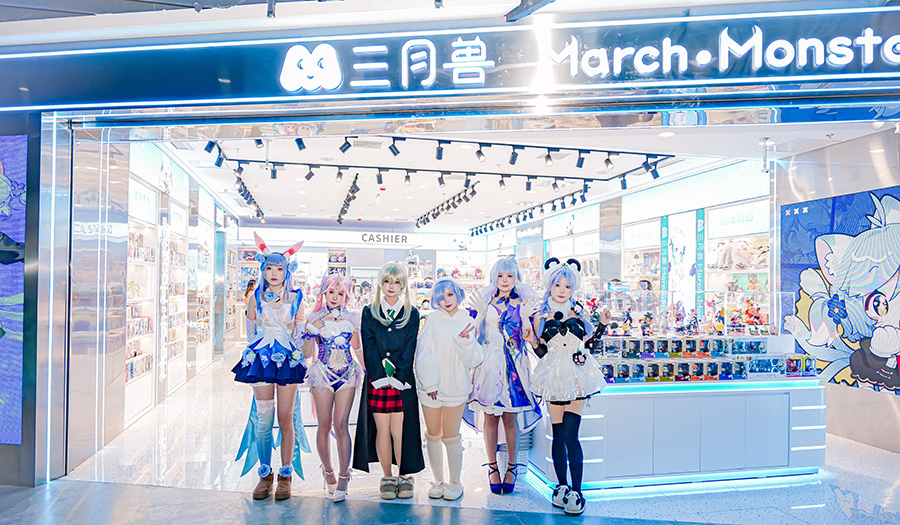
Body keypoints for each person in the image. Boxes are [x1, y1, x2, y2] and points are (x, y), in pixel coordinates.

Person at [232, 233, 309, 501]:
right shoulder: (255, 296)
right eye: (269, 268)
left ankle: (285, 475)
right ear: (263, 270)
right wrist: (256, 348)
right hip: (261, 359)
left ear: (287, 271)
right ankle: (265, 475)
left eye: (279, 268)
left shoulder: (296, 297)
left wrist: (297, 354)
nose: (274, 273)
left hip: (287, 359)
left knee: (286, 419)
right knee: (264, 420)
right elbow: (251, 328)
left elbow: (299, 331)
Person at [530, 258, 606, 516]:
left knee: (572, 435)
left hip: (577, 376)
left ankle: (577, 491)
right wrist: (531, 341)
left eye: (567, 286)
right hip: (553, 377)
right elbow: (542, 352)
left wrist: (602, 325)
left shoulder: (579, 312)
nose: (562, 290)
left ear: (574, 288)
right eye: (557, 285)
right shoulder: (540, 315)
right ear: (549, 285)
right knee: (558, 435)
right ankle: (561, 486)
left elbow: (589, 346)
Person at [467, 257, 541, 495]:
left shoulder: (525, 301)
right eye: (501, 275)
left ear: (516, 277)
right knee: (490, 417)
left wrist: (527, 317)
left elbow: (530, 337)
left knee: (510, 419)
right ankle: (492, 467)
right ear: (494, 277)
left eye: (509, 275)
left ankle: (511, 468)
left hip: (515, 366)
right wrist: (479, 315)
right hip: (489, 365)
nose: (505, 280)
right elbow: (474, 337)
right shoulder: (485, 300)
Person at [352, 263, 424, 499]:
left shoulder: (412, 313)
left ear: (403, 286)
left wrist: (399, 376)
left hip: (402, 383)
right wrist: (381, 377)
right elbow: (369, 345)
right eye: (386, 281)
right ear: (380, 284)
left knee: (400, 431)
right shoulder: (369, 312)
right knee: (382, 430)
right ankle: (387, 477)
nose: (391, 286)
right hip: (378, 381)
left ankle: (404, 476)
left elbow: (410, 347)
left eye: (396, 282)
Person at [415, 278, 485, 501]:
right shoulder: (432, 320)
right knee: (433, 435)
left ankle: (455, 482)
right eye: (441, 296)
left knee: (451, 436)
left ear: (458, 294)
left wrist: (465, 341)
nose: (446, 300)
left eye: (450, 294)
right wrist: (430, 383)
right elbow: (423, 352)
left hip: (456, 387)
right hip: (430, 389)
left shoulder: (467, 320)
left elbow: (474, 359)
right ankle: (437, 481)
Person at [303, 274, 361, 503]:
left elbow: (357, 349)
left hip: (347, 374)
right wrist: (310, 331)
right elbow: (307, 353)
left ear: (345, 295)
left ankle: (344, 477)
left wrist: (370, 370)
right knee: (324, 425)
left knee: (341, 425)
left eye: (340, 293)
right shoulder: (313, 318)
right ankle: (328, 472)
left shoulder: (352, 317)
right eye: (331, 292)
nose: (335, 297)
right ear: (324, 293)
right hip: (322, 374)